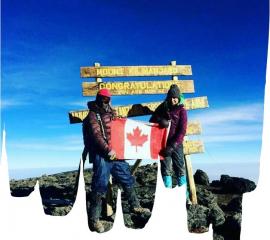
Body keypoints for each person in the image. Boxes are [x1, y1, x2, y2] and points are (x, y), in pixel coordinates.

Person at [83, 88, 150, 233]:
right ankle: (94, 219)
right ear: (98, 99)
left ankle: (135, 206)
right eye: (104, 99)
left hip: (116, 154)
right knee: (99, 185)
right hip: (102, 155)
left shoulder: (111, 112)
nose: (106, 102)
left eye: (108, 99)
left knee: (127, 177)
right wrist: (108, 150)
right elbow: (96, 135)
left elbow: (119, 129)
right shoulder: (92, 116)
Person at [150, 84, 188, 189]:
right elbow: (152, 119)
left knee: (180, 169)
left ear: (179, 98)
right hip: (163, 143)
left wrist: (172, 146)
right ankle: (167, 195)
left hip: (176, 144)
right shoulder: (163, 107)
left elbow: (182, 131)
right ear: (168, 97)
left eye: (175, 98)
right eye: (171, 97)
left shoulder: (182, 111)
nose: (173, 100)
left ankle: (184, 197)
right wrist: (160, 120)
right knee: (166, 170)